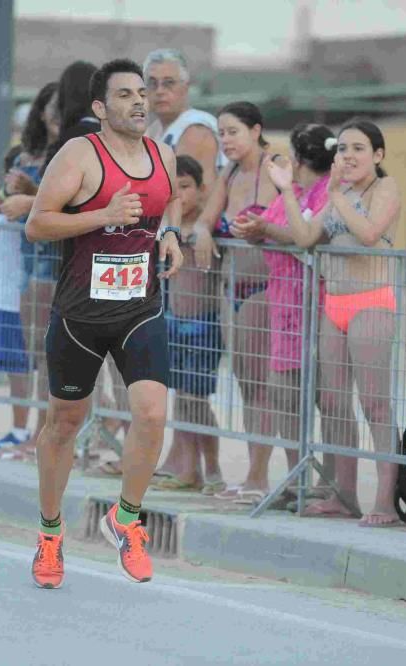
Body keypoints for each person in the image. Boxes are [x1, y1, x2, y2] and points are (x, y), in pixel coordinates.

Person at [24, 58, 183, 588]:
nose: (139, 101)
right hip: (80, 315)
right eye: (125, 95)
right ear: (100, 107)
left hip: (140, 307)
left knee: (152, 414)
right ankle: (50, 533)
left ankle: (127, 518)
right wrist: (102, 216)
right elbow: (37, 223)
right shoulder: (80, 154)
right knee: (64, 424)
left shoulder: (162, 153)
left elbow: (173, 200)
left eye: (143, 93)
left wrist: (171, 235)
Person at [281, 118, 403, 527]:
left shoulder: (384, 188)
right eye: (343, 149)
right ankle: (343, 492)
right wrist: (285, 189)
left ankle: (385, 501)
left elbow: (369, 233)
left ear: (378, 155)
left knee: (375, 404)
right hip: (334, 304)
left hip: (371, 303)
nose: (348, 156)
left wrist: (336, 193)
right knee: (333, 403)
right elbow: (304, 237)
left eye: (358, 149)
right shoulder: (339, 194)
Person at [230, 123, 336, 506]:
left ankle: (331, 483)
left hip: (319, 305)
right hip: (284, 306)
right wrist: (255, 228)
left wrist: (269, 231)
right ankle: (296, 479)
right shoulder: (290, 192)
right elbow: (277, 228)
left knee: (327, 398)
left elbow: (306, 236)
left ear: (298, 157)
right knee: (285, 395)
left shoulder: (329, 192)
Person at [191, 101, 280, 506]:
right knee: (247, 385)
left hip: (266, 288)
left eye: (233, 132)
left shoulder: (275, 166)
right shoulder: (229, 172)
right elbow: (204, 219)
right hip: (233, 291)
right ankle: (252, 473)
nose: (226, 140)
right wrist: (204, 232)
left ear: (256, 130)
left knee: (262, 386)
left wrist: (268, 227)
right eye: (221, 133)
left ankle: (259, 477)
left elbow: (299, 215)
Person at [0, 82, 60, 453]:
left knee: (52, 359)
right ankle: (28, 432)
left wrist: (31, 190)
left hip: (54, 264)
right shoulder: (25, 157)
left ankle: (50, 435)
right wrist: (2, 195)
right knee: (33, 359)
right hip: (29, 270)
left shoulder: (69, 154)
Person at [156, 155, 225, 495]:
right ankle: (188, 468)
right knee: (182, 398)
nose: (180, 195)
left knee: (197, 398)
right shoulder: (169, 227)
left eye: (186, 187)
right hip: (173, 322)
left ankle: (212, 469)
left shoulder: (209, 231)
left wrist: (201, 231)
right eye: (174, 189)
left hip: (203, 325)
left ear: (202, 190)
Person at [0, 145, 35, 452]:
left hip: (27, 295)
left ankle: (30, 430)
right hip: (7, 294)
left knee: (41, 368)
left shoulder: (31, 199)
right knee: (16, 367)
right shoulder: (1, 200)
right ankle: (18, 429)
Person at [143, 48, 225, 189]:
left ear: (185, 87)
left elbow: (198, 198)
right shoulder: (153, 129)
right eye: (152, 83)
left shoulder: (196, 130)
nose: (160, 91)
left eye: (168, 83)